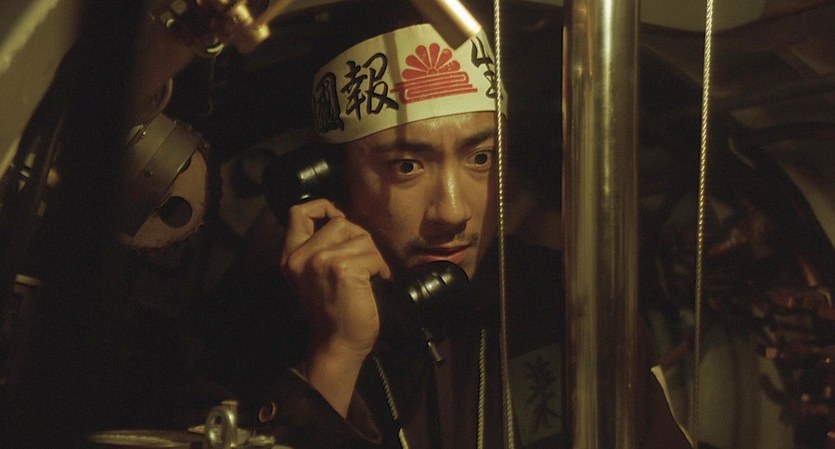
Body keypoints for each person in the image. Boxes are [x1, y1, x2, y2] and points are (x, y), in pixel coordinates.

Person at [197, 3, 693, 449]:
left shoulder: (566, 306)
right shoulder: (247, 332)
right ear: (329, 181)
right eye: (407, 166)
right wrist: (335, 355)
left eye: (480, 157)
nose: (453, 211)